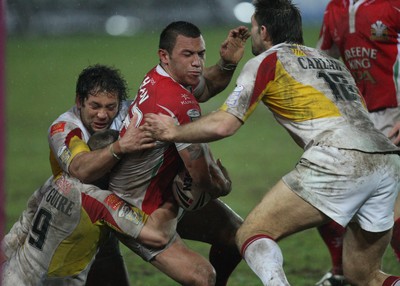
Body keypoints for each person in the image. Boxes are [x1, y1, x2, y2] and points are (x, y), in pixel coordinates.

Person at [142, 0, 400, 285]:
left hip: (341, 157)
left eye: (253, 28)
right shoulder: (331, 63)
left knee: (250, 233)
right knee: (363, 275)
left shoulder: (268, 61)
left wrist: (173, 132)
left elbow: (225, 124)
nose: (252, 35)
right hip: (387, 161)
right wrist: (227, 63)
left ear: (264, 31)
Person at [106, 21, 250, 285]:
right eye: (188, 54)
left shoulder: (160, 75)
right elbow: (202, 178)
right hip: (137, 207)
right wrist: (222, 185)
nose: (197, 62)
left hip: (163, 190)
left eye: (201, 54)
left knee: (235, 234)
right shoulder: (177, 103)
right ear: (165, 55)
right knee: (202, 277)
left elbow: (206, 87)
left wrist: (227, 63)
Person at [1, 128, 176, 286]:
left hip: (11, 275)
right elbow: (157, 237)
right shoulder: (99, 202)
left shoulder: (57, 179)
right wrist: (173, 197)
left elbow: (26, 219)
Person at [315, 0, 400, 284]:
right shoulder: (335, 8)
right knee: (325, 194)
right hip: (357, 119)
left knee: (393, 209)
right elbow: (324, 59)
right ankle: (340, 273)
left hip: (395, 113)